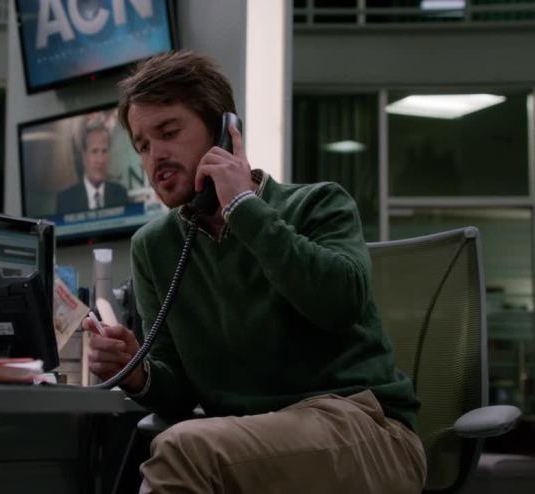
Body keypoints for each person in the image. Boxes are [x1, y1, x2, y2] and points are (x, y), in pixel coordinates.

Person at [81, 50, 426, 493]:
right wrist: (137, 372)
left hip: (366, 429)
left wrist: (243, 207)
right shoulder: (154, 247)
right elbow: (179, 392)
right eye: (143, 146)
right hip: (248, 445)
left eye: (168, 133)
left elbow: (340, 304)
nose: (155, 157)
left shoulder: (319, 203)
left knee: (183, 450)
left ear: (225, 132)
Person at [56, 121, 129, 214]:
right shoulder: (65, 200)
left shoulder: (121, 194)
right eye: (94, 151)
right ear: (84, 157)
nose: (100, 160)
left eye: (104, 151)